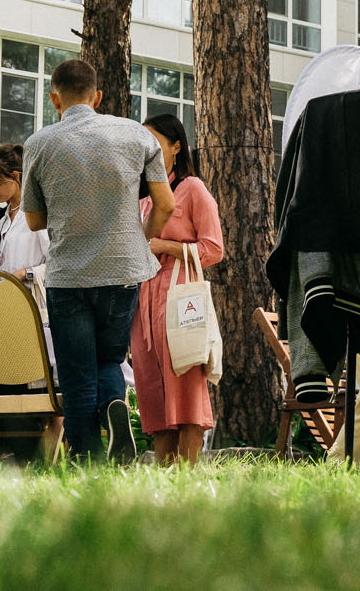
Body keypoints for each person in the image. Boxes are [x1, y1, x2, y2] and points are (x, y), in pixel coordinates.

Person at [23, 59, 174, 462]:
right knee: (109, 358)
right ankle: (115, 409)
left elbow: (35, 219)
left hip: (68, 274)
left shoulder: (39, 143)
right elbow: (166, 204)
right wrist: (138, 241)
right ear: (99, 96)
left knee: (75, 374)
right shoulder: (137, 136)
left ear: (54, 99)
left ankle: (85, 459)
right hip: (122, 270)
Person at [128, 116, 224, 465]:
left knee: (185, 386)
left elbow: (214, 249)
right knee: (152, 389)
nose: (147, 151)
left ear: (176, 146)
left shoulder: (192, 189)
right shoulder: (140, 196)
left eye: (154, 142)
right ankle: (164, 479)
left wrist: (166, 246)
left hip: (181, 299)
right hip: (143, 303)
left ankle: (187, 476)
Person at [0, 143, 49, 279]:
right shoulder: (1, 224)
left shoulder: (38, 217)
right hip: (5, 298)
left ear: (15, 176)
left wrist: (25, 273)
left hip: (30, 298)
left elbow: (58, 264)